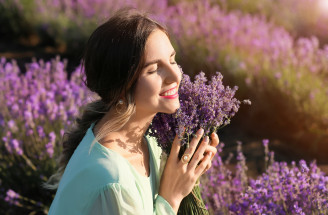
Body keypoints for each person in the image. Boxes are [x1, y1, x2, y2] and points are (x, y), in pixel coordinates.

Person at [43, 8, 219, 215]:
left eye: (172, 60)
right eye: (153, 70)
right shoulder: (114, 181)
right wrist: (171, 199)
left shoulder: (148, 137)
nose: (175, 75)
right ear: (121, 86)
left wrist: (188, 171)